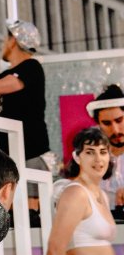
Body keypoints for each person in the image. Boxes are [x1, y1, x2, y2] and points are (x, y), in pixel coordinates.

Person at [0, 19, 50, 216]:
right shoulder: (7, 74)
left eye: (5, 39)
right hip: (8, 160)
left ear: (13, 40)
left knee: (30, 217)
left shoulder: (31, 67)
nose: (2, 44)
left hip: (28, 156)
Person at [47, 127, 115, 255]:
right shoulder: (76, 193)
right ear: (77, 157)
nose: (98, 159)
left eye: (103, 152)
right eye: (90, 152)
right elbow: (55, 249)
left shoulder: (102, 195)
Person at [87, 83, 124, 214]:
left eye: (119, 120)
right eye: (107, 123)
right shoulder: (89, 153)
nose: (115, 130)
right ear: (98, 123)